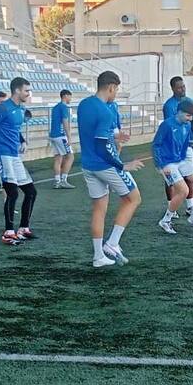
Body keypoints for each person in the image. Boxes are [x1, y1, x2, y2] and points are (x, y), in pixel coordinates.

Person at [77, 71, 144, 268]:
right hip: (105, 165)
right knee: (134, 198)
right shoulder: (105, 111)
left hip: (88, 165)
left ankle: (98, 257)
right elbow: (101, 147)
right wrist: (122, 165)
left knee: (99, 209)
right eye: (117, 90)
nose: (116, 93)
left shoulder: (84, 105)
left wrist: (114, 137)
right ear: (111, 87)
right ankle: (113, 243)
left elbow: (94, 134)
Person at [0, 77, 38, 245]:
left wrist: (22, 141)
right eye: (26, 90)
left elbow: (14, 129)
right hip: (3, 155)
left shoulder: (20, 109)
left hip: (14, 155)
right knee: (12, 192)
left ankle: (23, 228)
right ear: (17, 90)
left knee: (31, 192)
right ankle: (8, 232)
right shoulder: (2, 108)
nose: (28, 93)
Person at [153, 99, 193, 234]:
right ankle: (166, 220)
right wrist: (161, 165)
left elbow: (184, 144)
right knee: (183, 190)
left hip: (180, 160)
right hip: (167, 163)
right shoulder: (167, 125)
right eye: (188, 115)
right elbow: (156, 145)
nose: (190, 119)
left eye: (191, 116)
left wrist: (192, 147)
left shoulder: (187, 125)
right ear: (179, 112)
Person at [49, 89, 76, 188]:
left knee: (58, 157)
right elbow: (65, 122)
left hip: (53, 135)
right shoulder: (64, 107)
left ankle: (57, 181)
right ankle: (63, 180)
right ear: (65, 96)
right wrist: (69, 137)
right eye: (70, 96)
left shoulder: (55, 107)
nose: (71, 99)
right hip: (61, 135)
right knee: (70, 156)